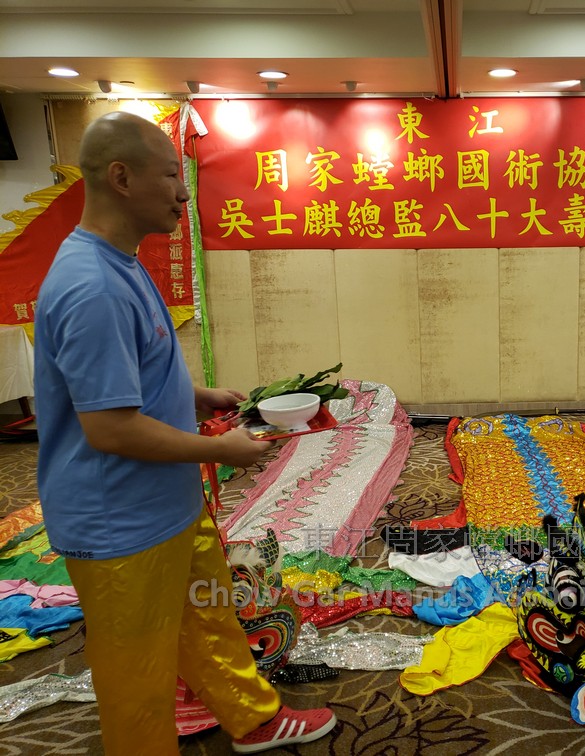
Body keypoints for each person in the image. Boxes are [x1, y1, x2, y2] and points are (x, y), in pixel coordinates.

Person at [33, 112, 336, 755]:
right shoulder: (91, 286)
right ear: (121, 178)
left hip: (166, 501)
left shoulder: (121, 262)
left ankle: (253, 718)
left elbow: (127, 377)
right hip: (120, 523)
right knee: (137, 678)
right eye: (172, 175)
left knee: (208, 618)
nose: (183, 192)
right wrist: (220, 449)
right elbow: (110, 428)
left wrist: (196, 396)